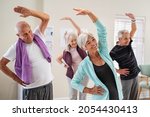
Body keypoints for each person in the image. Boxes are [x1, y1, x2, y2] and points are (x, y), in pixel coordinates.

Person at [0, 6, 53, 100]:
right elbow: (1, 64)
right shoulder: (15, 47)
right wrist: (15, 78)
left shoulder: (38, 35)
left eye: (29, 31)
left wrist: (31, 12)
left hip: (48, 85)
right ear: (18, 35)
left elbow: (46, 18)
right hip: (32, 90)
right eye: (25, 34)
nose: (29, 36)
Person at [71, 8, 123, 100]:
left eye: (93, 39)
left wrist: (90, 13)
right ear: (84, 47)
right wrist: (89, 90)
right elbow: (74, 82)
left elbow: (102, 29)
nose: (93, 43)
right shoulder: (84, 64)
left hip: (117, 95)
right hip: (102, 99)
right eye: (88, 43)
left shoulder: (104, 52)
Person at [110, 13, 140, 100]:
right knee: (125, 99)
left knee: (134, 98)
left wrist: (133, 19)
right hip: (126, 78)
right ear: (119, 39)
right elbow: (106, 63)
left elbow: (134, 29)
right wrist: (118, 71)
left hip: (135, 74)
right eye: (125, 38)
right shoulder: (114, 51)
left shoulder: (128, 43)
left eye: (128, 38)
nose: (128, 40)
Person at [57, 17, 88, 100]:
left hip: (83, 74)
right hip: (72, 75)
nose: (74, 42)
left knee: (83, 95)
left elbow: (78, 29)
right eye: (72, 41)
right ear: (68, 42)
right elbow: (58, 59)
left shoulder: (80, 47)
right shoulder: (66, 51)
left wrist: (70, 19)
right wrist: (64, 64)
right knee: (72, 95)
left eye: (75, 40)